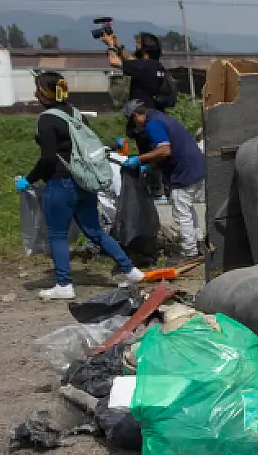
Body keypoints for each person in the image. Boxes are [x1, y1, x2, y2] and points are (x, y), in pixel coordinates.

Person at [19, 73, 143, 300]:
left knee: (57, 234)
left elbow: (47, 159)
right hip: (85, 182)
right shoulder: (78, 116)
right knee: (94, 231)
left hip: (61, 183)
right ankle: (131, 271)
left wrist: (28, 179)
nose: (36, 93)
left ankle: (64, 285)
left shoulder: (46, 119)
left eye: (38, 89)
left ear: (46, 93)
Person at [121, 98, 206, 259]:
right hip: (197, 165)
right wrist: (151, 166)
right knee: (187, 209)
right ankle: (199, 243)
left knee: (181, 213)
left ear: (134, 116)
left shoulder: (153, 124)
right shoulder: (161, 117)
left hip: (184, 170)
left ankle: (189, 252)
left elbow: (165, 151)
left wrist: (139, 159)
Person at [107, 31, 176, 109]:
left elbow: (113, 61)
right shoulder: (154, 65)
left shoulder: (143, 66)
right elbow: (130, 60)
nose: (136, 45)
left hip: (143, 114)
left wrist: (110, 45)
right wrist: (117, 44)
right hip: (154, 111)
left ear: (145, 48)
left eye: (139, 44)